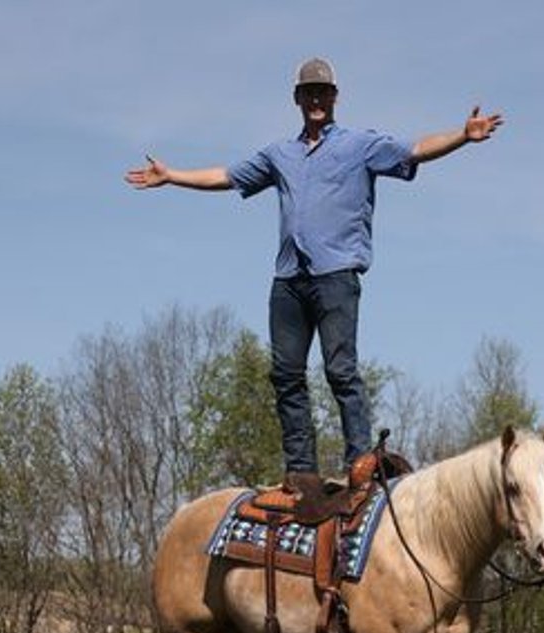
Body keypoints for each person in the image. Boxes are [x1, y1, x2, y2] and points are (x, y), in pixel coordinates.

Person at [125, 57, 503, 494]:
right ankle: (300, 469)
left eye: (324, 92)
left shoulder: (360, 145)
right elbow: (227, 177)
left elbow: (414, 148)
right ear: (298, 99)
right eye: (309, 92)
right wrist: (172, 176)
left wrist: (462, 135)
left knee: (341, 371)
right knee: (286, 374)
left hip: (336, 275)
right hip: (289, 280)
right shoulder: (279, 154)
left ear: (335, 97)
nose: (317, 99)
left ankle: (360, 463)